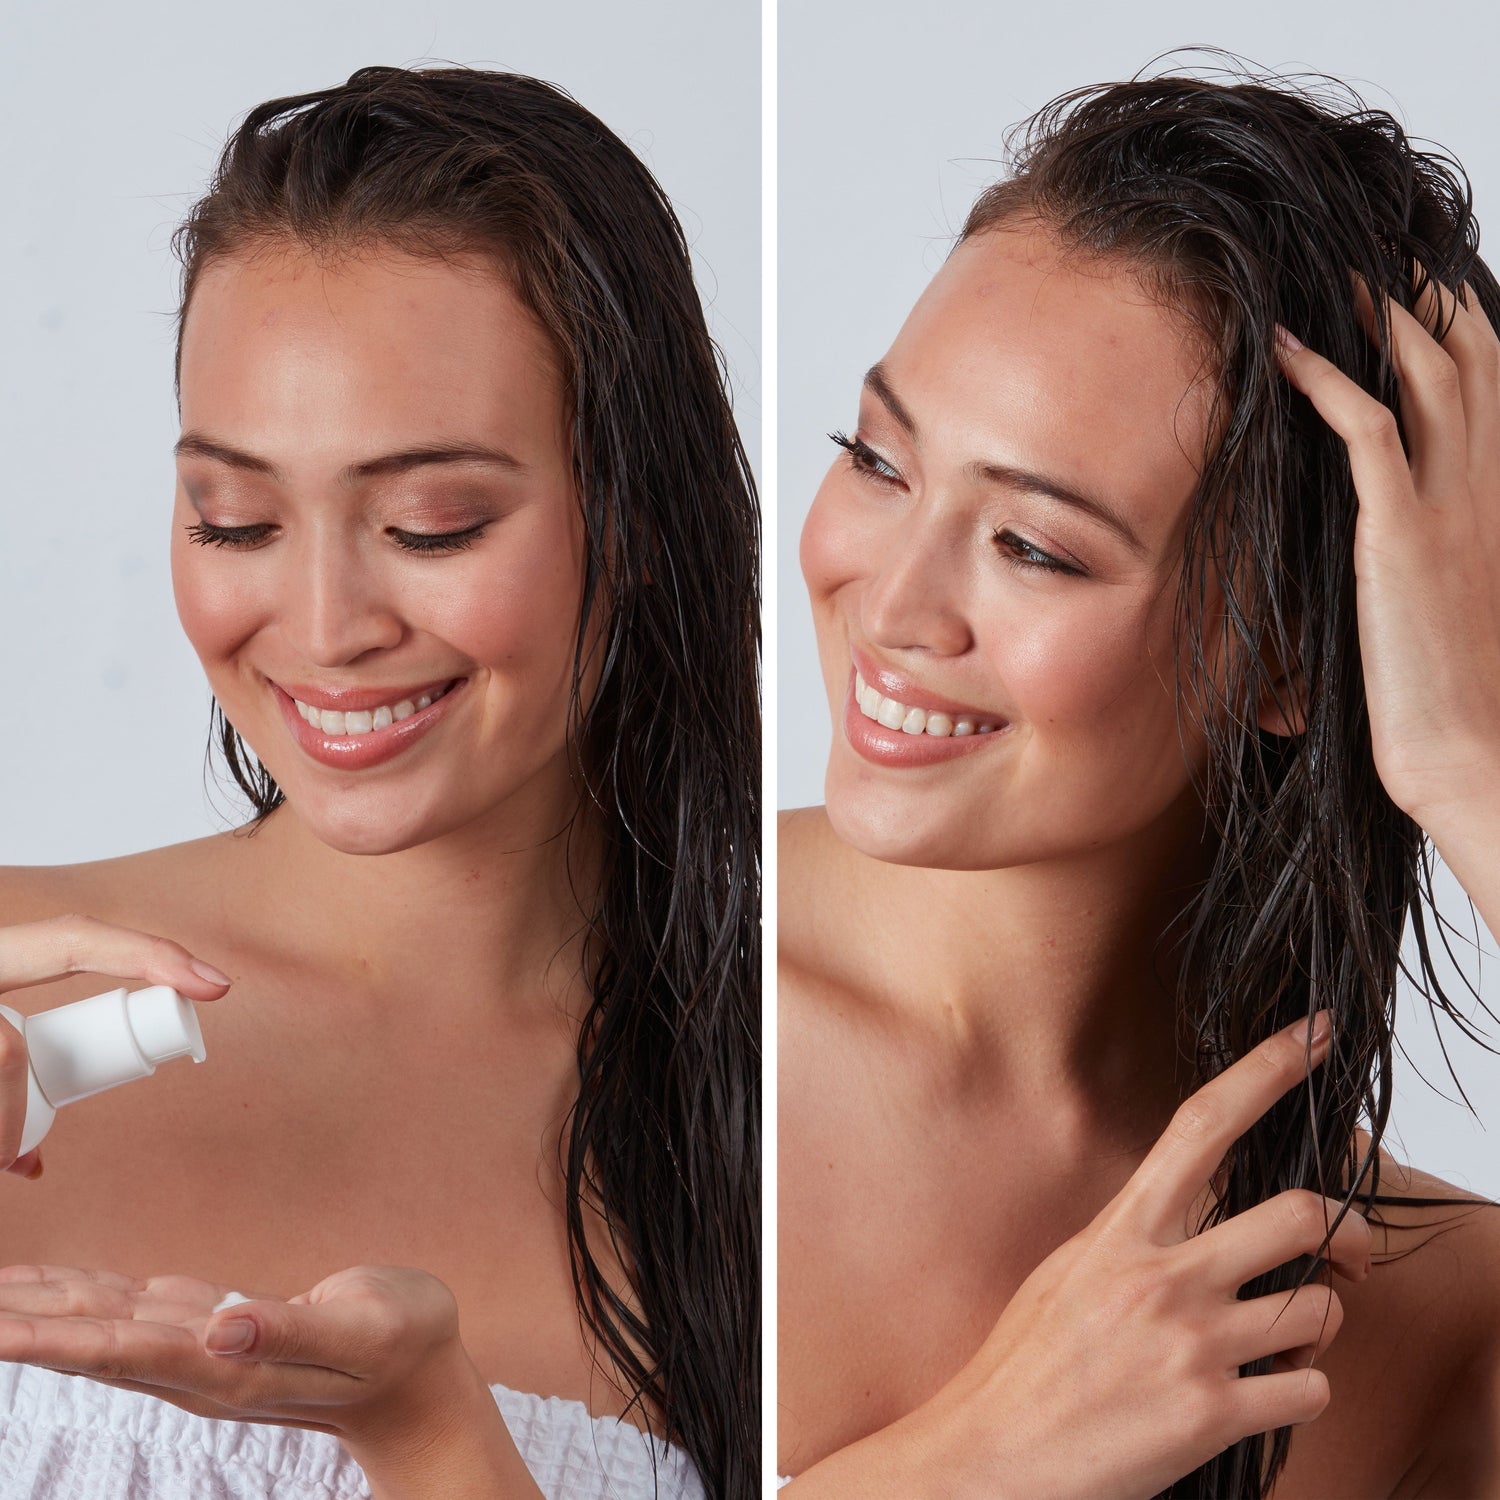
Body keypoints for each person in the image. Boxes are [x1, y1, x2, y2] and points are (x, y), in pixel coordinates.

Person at [0, 64, 759, 1500]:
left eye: (431, 523)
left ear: (641, 521)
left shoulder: (784, 1111)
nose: (327, 625)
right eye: (234, 520)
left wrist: (432, 1437)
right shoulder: (23, 1004)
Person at [778, 61, 1500, 1499]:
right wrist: (984, 1461)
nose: (894, 606)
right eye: (879, 459)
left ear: (1292, 657)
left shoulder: (1418, 1307)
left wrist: (1470, 765)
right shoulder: (627, 1000)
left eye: (1034, 548)